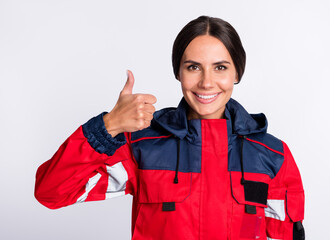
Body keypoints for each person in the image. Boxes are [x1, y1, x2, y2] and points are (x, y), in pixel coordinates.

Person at [35, 15, 305, 240]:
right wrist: (108, 127)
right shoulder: (142, 145)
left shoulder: (272, 155)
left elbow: (283, 235)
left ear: (237, 73)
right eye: (193, 67)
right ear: (178, 72)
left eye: (220, 67)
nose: (207, 82)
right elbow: (52, 192)